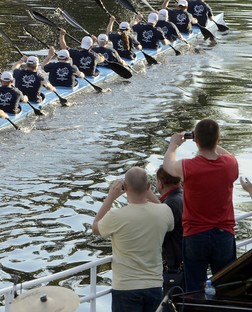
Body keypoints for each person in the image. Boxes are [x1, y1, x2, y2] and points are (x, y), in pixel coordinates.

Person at [163, 119, 239, 292]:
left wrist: (174, 145)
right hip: (224, 234)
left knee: (194, 290)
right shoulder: (230, 164)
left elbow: (167, 166)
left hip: (195, 236)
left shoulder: (189, 166)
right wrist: (209, 141)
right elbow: (228, 155)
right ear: (218, 139)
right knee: (226, 287)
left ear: (196, 140)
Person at [93, 167, 174, 312]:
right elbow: (168, 220)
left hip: (125, 287)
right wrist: (147, 191)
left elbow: (95, 228)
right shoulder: (164, 211)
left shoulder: (116, 216)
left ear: (125, 187)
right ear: (149, 187)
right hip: (154, 285)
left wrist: (111, 196)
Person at [155, 166, 184, 291]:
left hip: (175, 267)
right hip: (186, 260)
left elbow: (161, 236)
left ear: (160, 183)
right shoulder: (184, 196)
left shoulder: (171, 203)